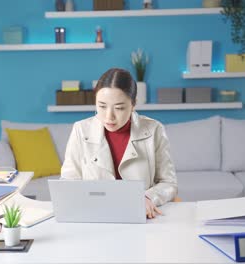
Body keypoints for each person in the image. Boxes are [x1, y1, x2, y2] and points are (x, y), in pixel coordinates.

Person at [61, 68, 177, 219]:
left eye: (119, 108)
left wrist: (148, 197)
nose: (109, 116)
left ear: (133, 105)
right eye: (102, 106)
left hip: (141, 216)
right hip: (94, 216)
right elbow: (69, 182)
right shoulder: (80, 130)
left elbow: (169, 183)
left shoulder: (154, 130)